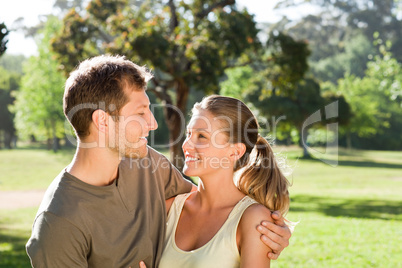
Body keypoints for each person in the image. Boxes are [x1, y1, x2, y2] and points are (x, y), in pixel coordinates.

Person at [26, 55, 291, 268]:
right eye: (141, 113)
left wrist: (268, 231)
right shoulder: (58, 222)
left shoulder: (149, 166)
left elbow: (213, 207)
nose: (153, 124)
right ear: (103, 121)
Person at [154, 95, 292, 268]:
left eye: (202, 136)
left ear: (235, 151)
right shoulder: (169, 208)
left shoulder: (253, 219)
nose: (186, 145)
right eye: (189, 134)